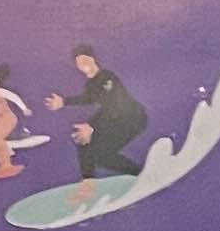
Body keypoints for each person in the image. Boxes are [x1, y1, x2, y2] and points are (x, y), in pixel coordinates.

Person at [48, 45, 148, 198]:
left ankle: (141, 174)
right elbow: (88, 98)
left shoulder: (107, 77)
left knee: (100, 152)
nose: (82, 65)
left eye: (84, 60)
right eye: (78, 63)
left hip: (133, 119)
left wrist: (92, 126)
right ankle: (88, 184)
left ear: (93, 59)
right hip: (114, 121)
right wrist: (64, 102)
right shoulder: (91, 84)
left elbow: (114, 105)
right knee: (84, 142)